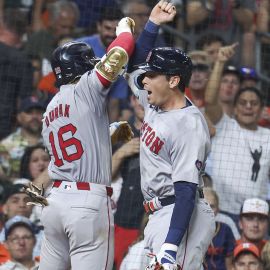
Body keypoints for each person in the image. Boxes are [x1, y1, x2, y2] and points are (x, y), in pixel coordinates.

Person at [127, 47, 215, 269]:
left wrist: (171, 246)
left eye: (152, 75)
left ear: (173, 81)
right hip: (159, 214)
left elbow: (186, 191)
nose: (144, 80)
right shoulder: (153, 100)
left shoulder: (189, 126)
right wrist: (153, 24)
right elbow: (133, 68)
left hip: (180, 215)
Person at [0, 97, 46, 180]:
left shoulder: (53, 140)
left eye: (39, 112)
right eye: (29, 112)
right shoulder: (6, 145)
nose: (34, 116)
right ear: (19, 117)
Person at [203, 187, 235, 270]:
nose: (208, 210)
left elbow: (229, 265)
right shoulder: (190, 230)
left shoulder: (225, 230)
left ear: (218, 209)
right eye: (205, 205)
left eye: (212, 206)